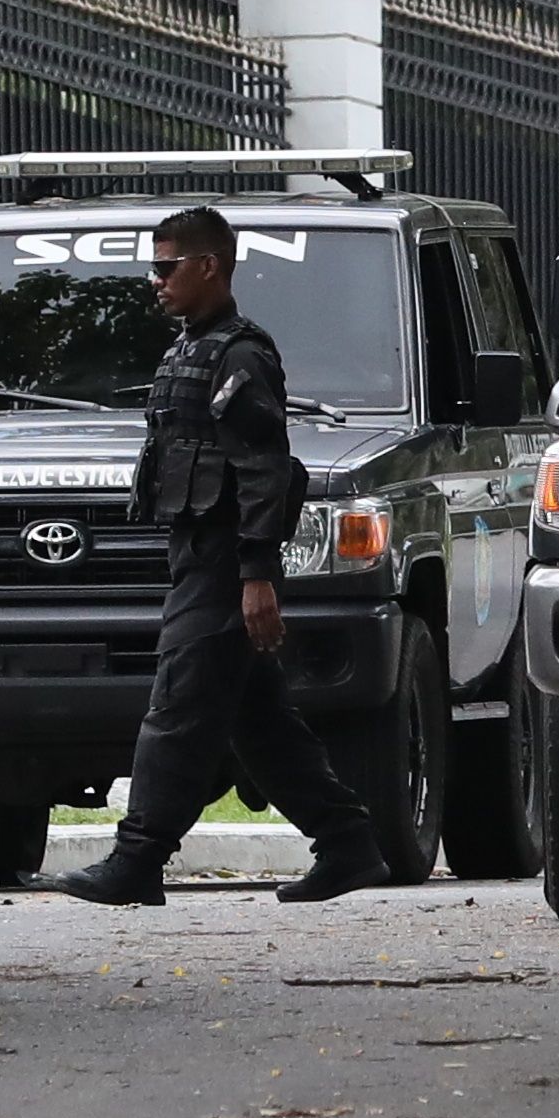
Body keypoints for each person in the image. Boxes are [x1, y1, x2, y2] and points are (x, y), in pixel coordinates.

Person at [40, 205, 387, 907]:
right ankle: (348, 844)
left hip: (227, 561)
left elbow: (264, 468)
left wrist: (256, 577)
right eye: (153, 267)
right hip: (197, 553)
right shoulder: (188, 349)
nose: (154, 281)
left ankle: (137, 859)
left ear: (208, 266)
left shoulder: (241, 354)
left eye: (167, 267)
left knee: (180, 703)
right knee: (256, 722)